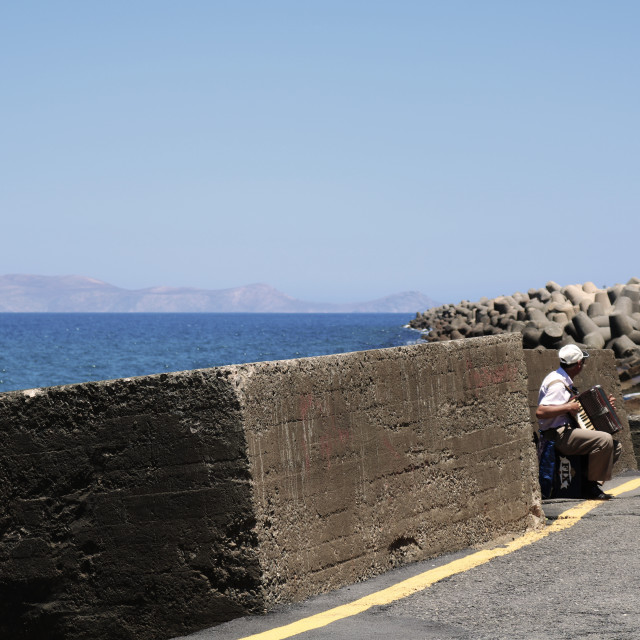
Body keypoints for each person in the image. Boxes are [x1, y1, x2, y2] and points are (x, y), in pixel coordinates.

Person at [536, 344, 622, 500]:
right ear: (578, 364)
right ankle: (590, 488)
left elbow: (580, 413)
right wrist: (568, 406)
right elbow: (540, 412)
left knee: (615, 447)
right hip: (558, 436)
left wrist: (606, 406)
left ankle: (587, 482)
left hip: (568, 432)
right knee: (604, 440)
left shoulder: (563, 380)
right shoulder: (557, 384)